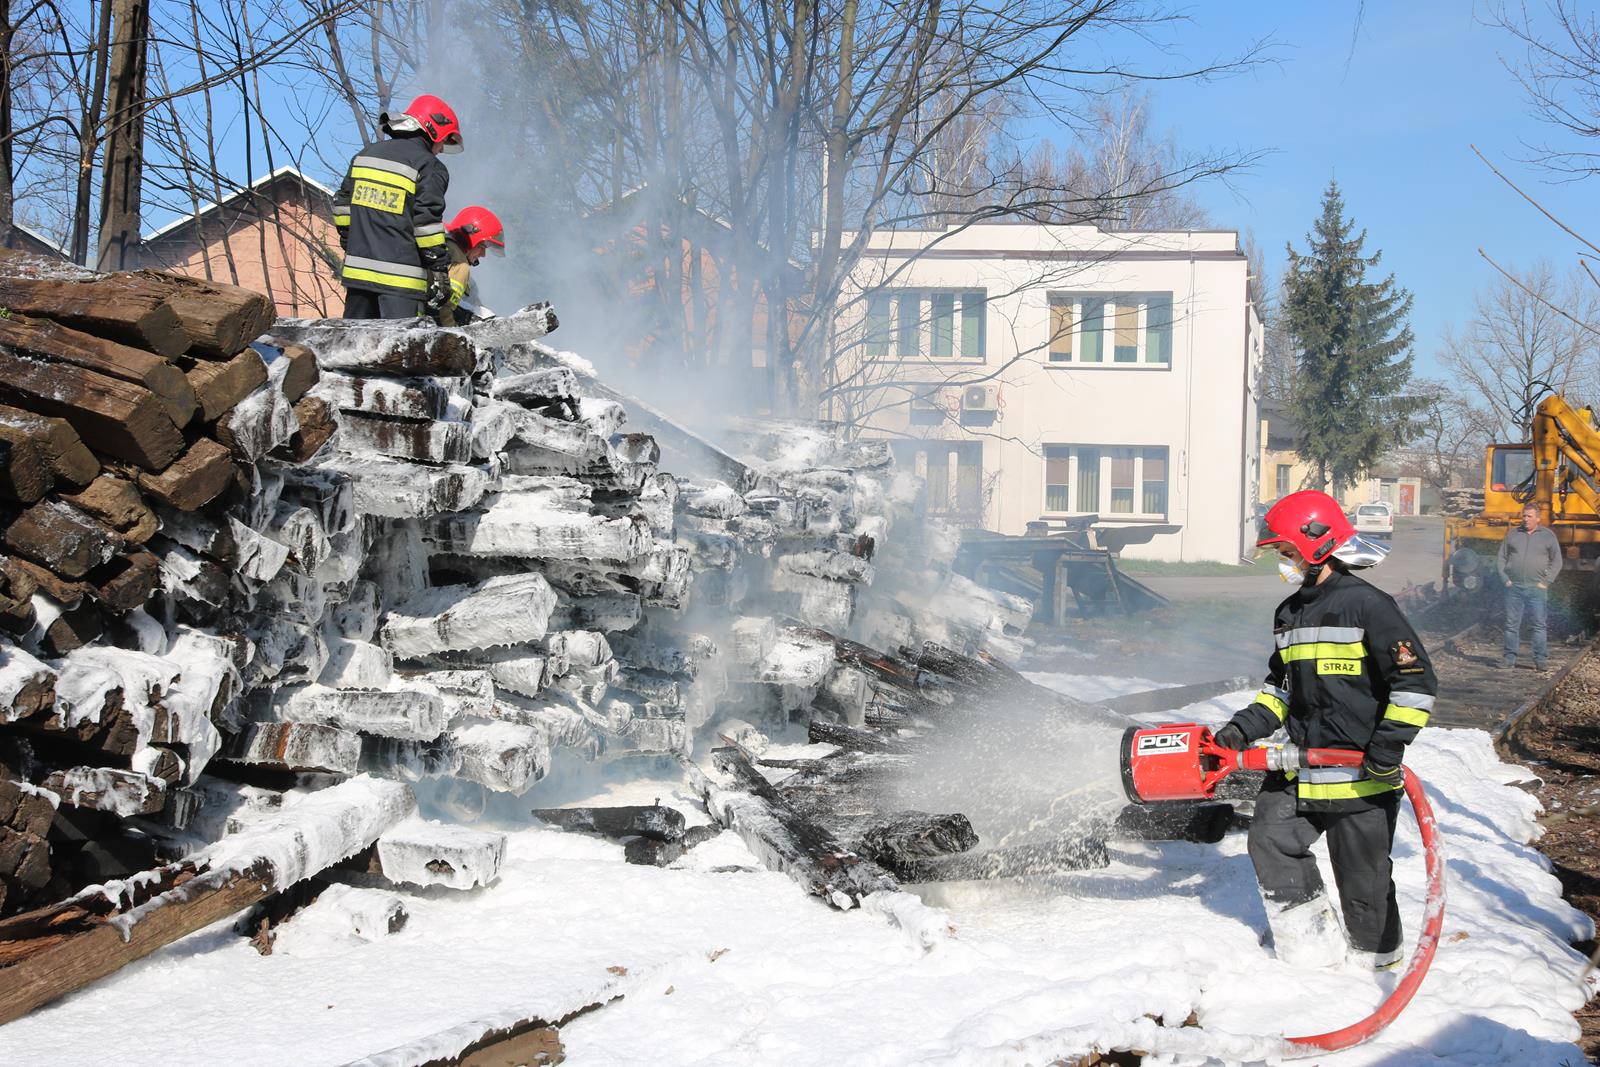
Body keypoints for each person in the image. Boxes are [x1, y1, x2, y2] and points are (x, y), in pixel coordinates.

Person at [1211, 490, 1437, 971]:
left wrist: (1387, 747)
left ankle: (1378, 967)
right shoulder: (1288, 616)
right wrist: (1238, 731)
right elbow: (1281, 690)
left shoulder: (1368, 607)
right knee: (1270, 839)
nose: (1284, 564)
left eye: (1287, 553)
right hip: (1299, 767)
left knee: (1363, 880)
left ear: (1316, 545)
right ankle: (1311, 954)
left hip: (1362, 775)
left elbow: (1415, 683)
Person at [333, 94, 462, 320]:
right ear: (433, 129)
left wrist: (352, 242)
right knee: (401, 351)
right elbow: (427, 226)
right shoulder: (430, 166)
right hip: (402, 284)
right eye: (444, 140)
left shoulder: (364, 155)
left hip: (357, 277)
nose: (441, 149)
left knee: (354, 350)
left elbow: (342, 207)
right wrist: (440, 272)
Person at [1498, 503, 1561, 671]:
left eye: (1529, 516)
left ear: (1538, 519)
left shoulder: (1548, 536)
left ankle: (1540, 661)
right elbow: (1501, 558)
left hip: (1537, 588)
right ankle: (1509, 659)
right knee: (1511, 624)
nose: (1525, 519)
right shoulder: (1513, 534)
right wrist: (1505, 579)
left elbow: (1557, 561)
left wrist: (1546, 582)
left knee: (1539, 625)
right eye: (1524, 516)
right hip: (1514, 587)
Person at [434, 205, 504, 327]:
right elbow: (445, 308)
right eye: (481, 247)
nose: (483, 254)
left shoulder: (440, 247)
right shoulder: (460, 265)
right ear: (470, 239)